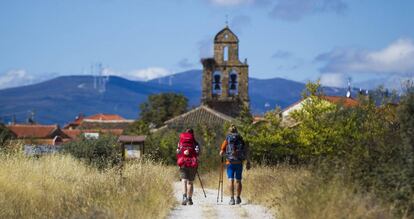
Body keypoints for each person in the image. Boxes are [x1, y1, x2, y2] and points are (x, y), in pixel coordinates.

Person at [219, 125, 250, 205]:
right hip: (239, 162)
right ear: (236, 131)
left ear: (229, 131)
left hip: (230, 163)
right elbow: (246, 151)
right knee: (238, 180)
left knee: (231, 180)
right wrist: (248, 161)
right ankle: (238, 198)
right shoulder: (241, 139)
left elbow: (221, 152)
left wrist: (223, 154)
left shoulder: (227, 139)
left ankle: (232, 199)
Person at [176, 128, 200, 205]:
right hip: (192, 163)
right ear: (193, 134)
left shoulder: (180, 142)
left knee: (183, 181)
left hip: (183, 163)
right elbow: (197, 153)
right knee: (190, 182)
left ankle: (184, 197)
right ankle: (189, 199)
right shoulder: (195, 143)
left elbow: (178, 151)